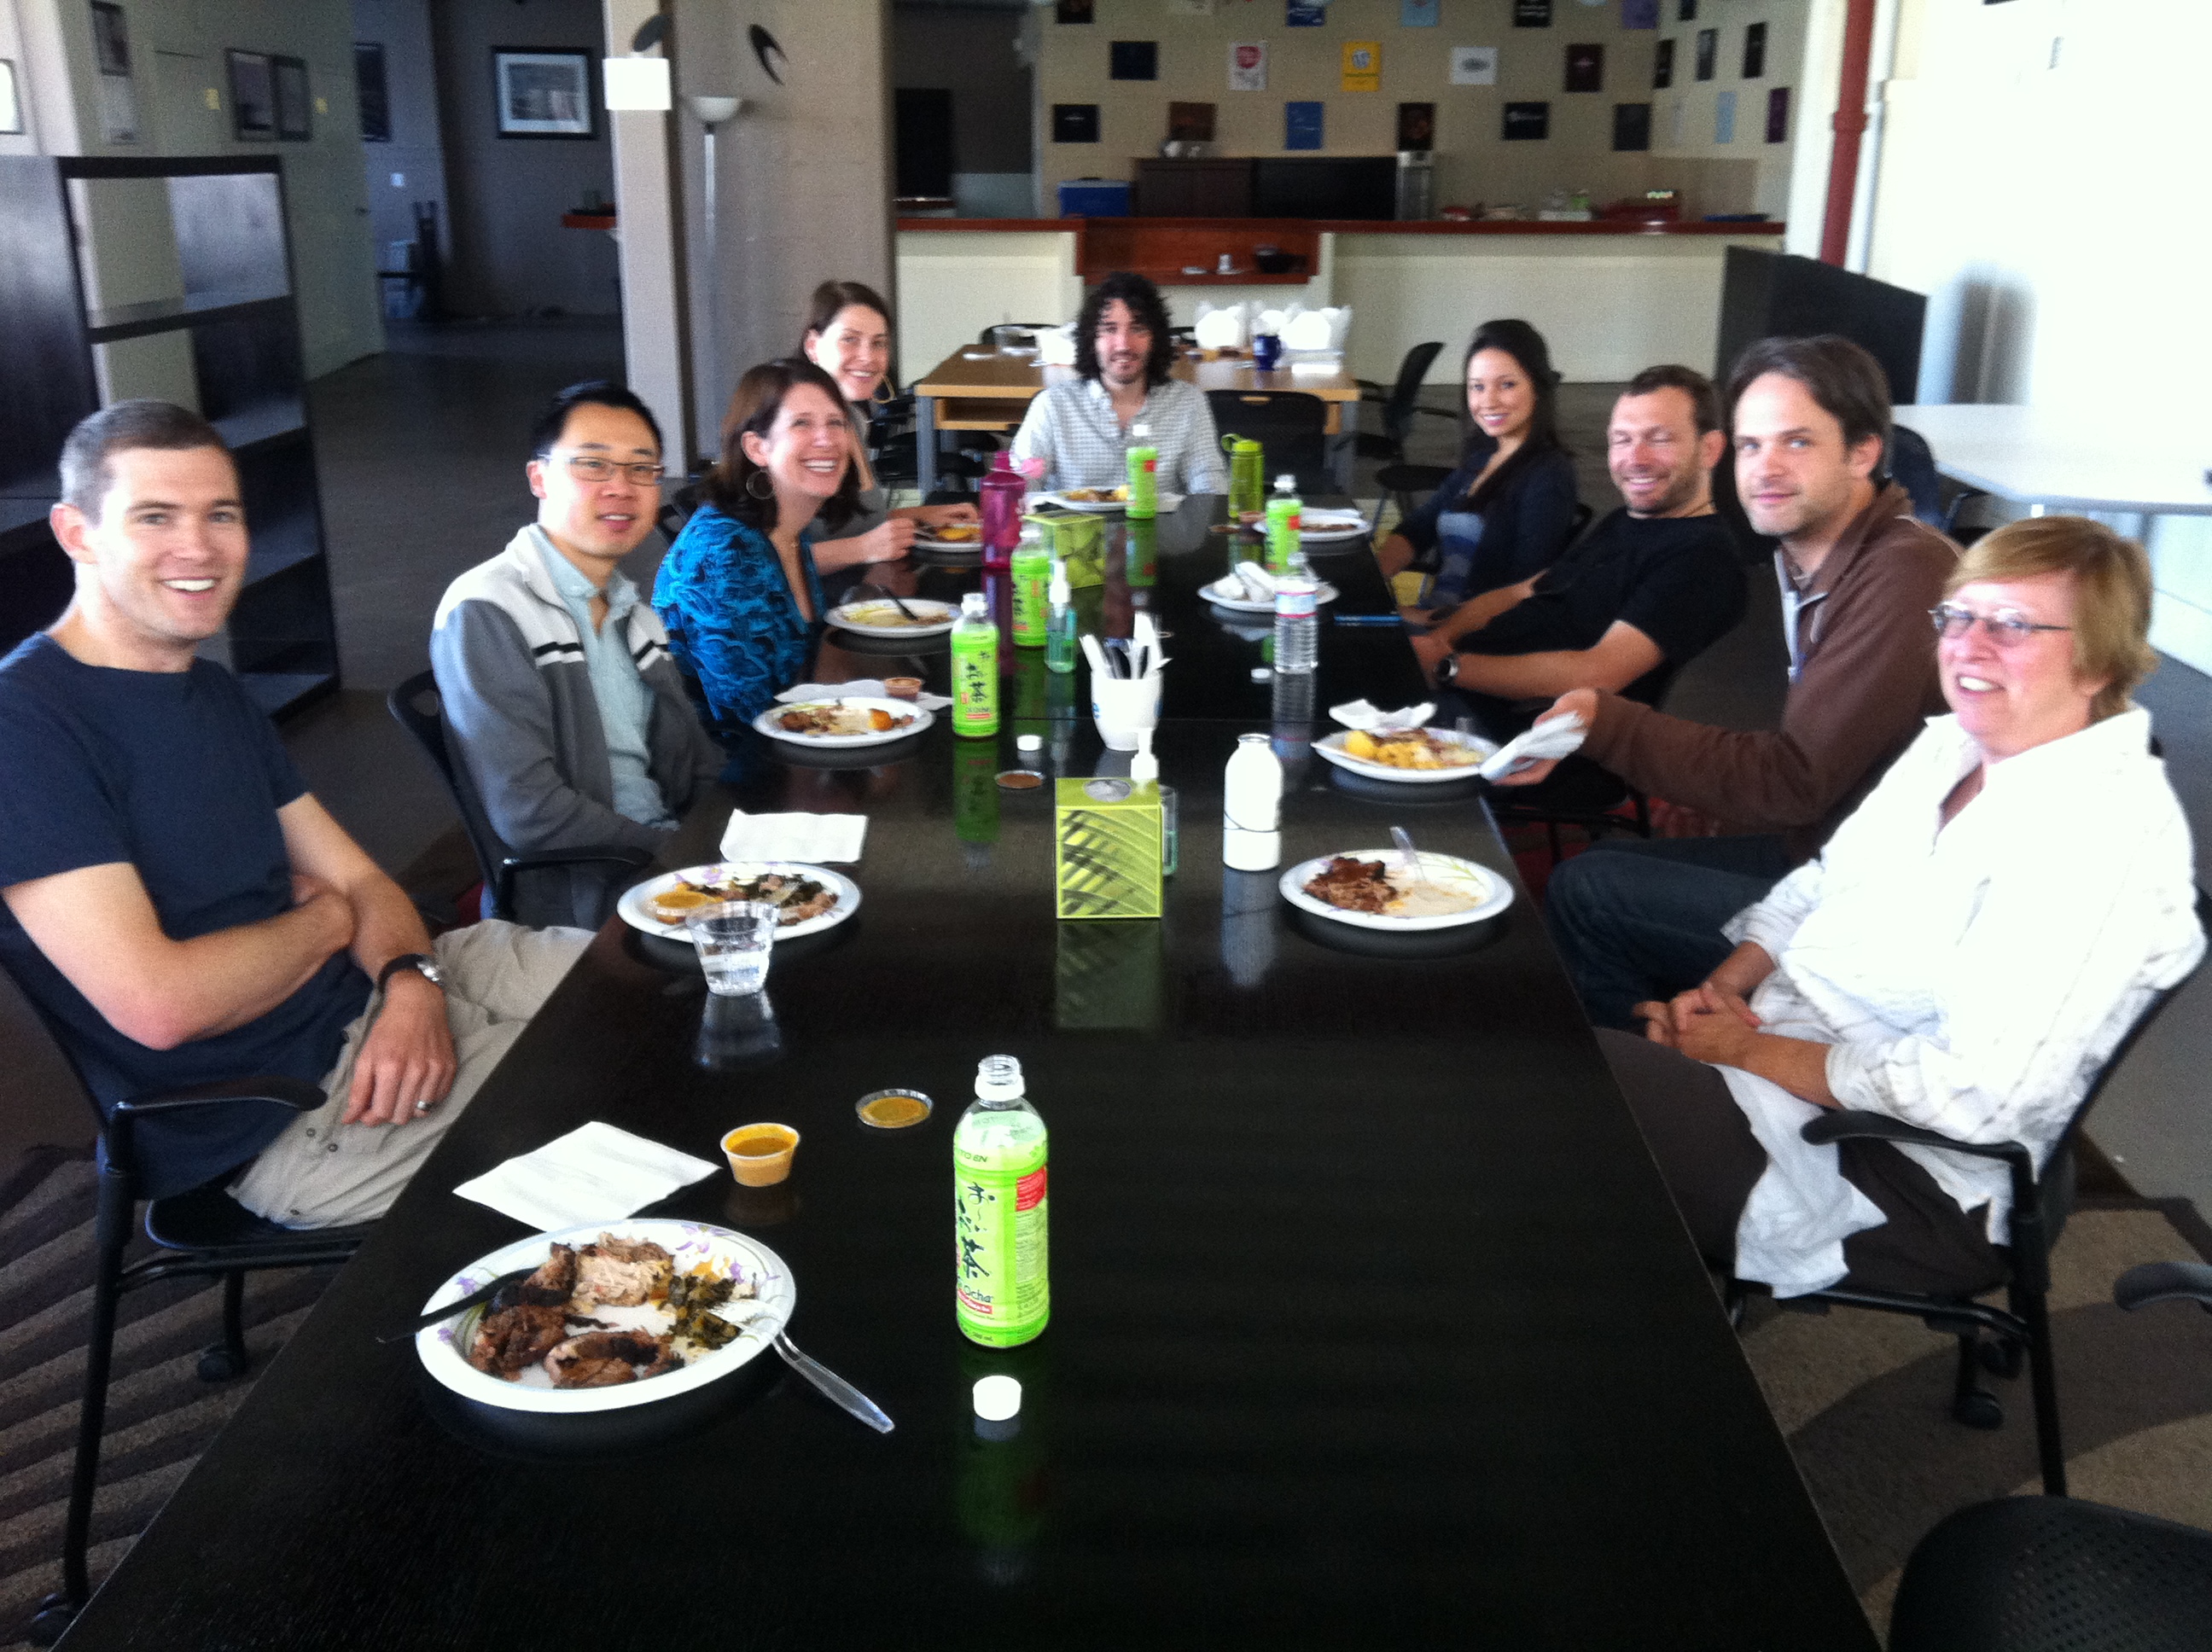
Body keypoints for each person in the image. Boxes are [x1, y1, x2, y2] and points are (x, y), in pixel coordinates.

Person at [0, 401, 589, 1227]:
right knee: (632, 1100)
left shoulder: (210, 691)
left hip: (383, 989)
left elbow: (364, 882)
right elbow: (162, 1005)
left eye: (221, 514)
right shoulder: (26, 726)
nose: (198, 546)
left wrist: (410, 986)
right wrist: (329, 922)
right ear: (77, 533)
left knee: (662, 976)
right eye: (155, 517)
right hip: (290, 1112)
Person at [1599, 518, 2202, 1298]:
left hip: (1905, 1178)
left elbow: (1972, 1094)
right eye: (1959, 616)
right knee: (1561, 1079)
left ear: (2099, 662)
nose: (1969, 646)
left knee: (1561, 1095)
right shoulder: (1952, 746)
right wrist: (1723, 994)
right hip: (1795, 1064)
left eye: (2012, 625)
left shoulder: (2100, 840)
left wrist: (1741, 1051)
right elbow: (1822, 881)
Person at [1517, 334, 1958, 1030]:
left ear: (1863, 453)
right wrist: (1724, 800)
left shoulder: (1904, 576)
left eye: (1797, 442)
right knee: (1617, 864)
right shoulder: (1816, 557)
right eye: (1752, 446)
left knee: (1589, 889)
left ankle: (1650, 1073)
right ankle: (1676, 1040)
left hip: (1884, 911)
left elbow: (1796, 781)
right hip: (1829, 852)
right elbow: (1833, 758)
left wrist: (1605, 721)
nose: (1766, 469)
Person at [431, 381, 723, 929]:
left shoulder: (635, 615)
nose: (622, 488)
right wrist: (679, 854)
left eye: (642, 469)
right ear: (538, 477)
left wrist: (732, 836)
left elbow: (695, 766)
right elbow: (530, 813)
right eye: (593, 465)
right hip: (586, 906)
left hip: (667, 870)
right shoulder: (487, 610)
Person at [1412, 364, 1743, 742]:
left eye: (1659, 439)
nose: (1636, 458)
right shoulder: (1625, 521)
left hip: (1511, 733)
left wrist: (1447, 667)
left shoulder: (1703, 558)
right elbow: (1526, 590)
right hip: (1466, 683)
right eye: (1622, 440)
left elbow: (1597, 673)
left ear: (1710, 449)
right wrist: (1441, 637)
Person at [655, 358, 861, 735]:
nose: (827, 439)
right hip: (730, 764)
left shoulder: (787, 527)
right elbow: (749, 724)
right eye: (802, 424)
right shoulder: (724, 555)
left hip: (796, 740)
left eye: (836, 423)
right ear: (757, 448)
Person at [1377, 319, 1579, 620]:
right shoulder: (1484, 457)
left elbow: (1523, 591)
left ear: (1538, 388)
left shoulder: (1549, 476)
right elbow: (1420, 526)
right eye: (1477, 387)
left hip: (1475, 632)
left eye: (1507, 384)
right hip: (1437, 615)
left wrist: (1420, 619)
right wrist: (1375, 575)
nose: (1488, 401)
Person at [798, 278, 977, 569]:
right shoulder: (791, 432)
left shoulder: (853, 419)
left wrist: (922, 515)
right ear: (813, 346)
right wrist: (862, 549)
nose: (868, 357)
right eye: (850, 339)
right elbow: (760, 565)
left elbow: (851, 527)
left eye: (878, 343)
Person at [1010, 270, 1227, 497]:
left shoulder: (1188, 403)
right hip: (1073, 520)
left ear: (1156, 338)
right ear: (1091, 339)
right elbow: (1020, 481)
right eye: (1110, 329)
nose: (1123, 344)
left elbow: (1209, 485)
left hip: (1161, 521)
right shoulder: (1053, 405)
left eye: (1137, 329)